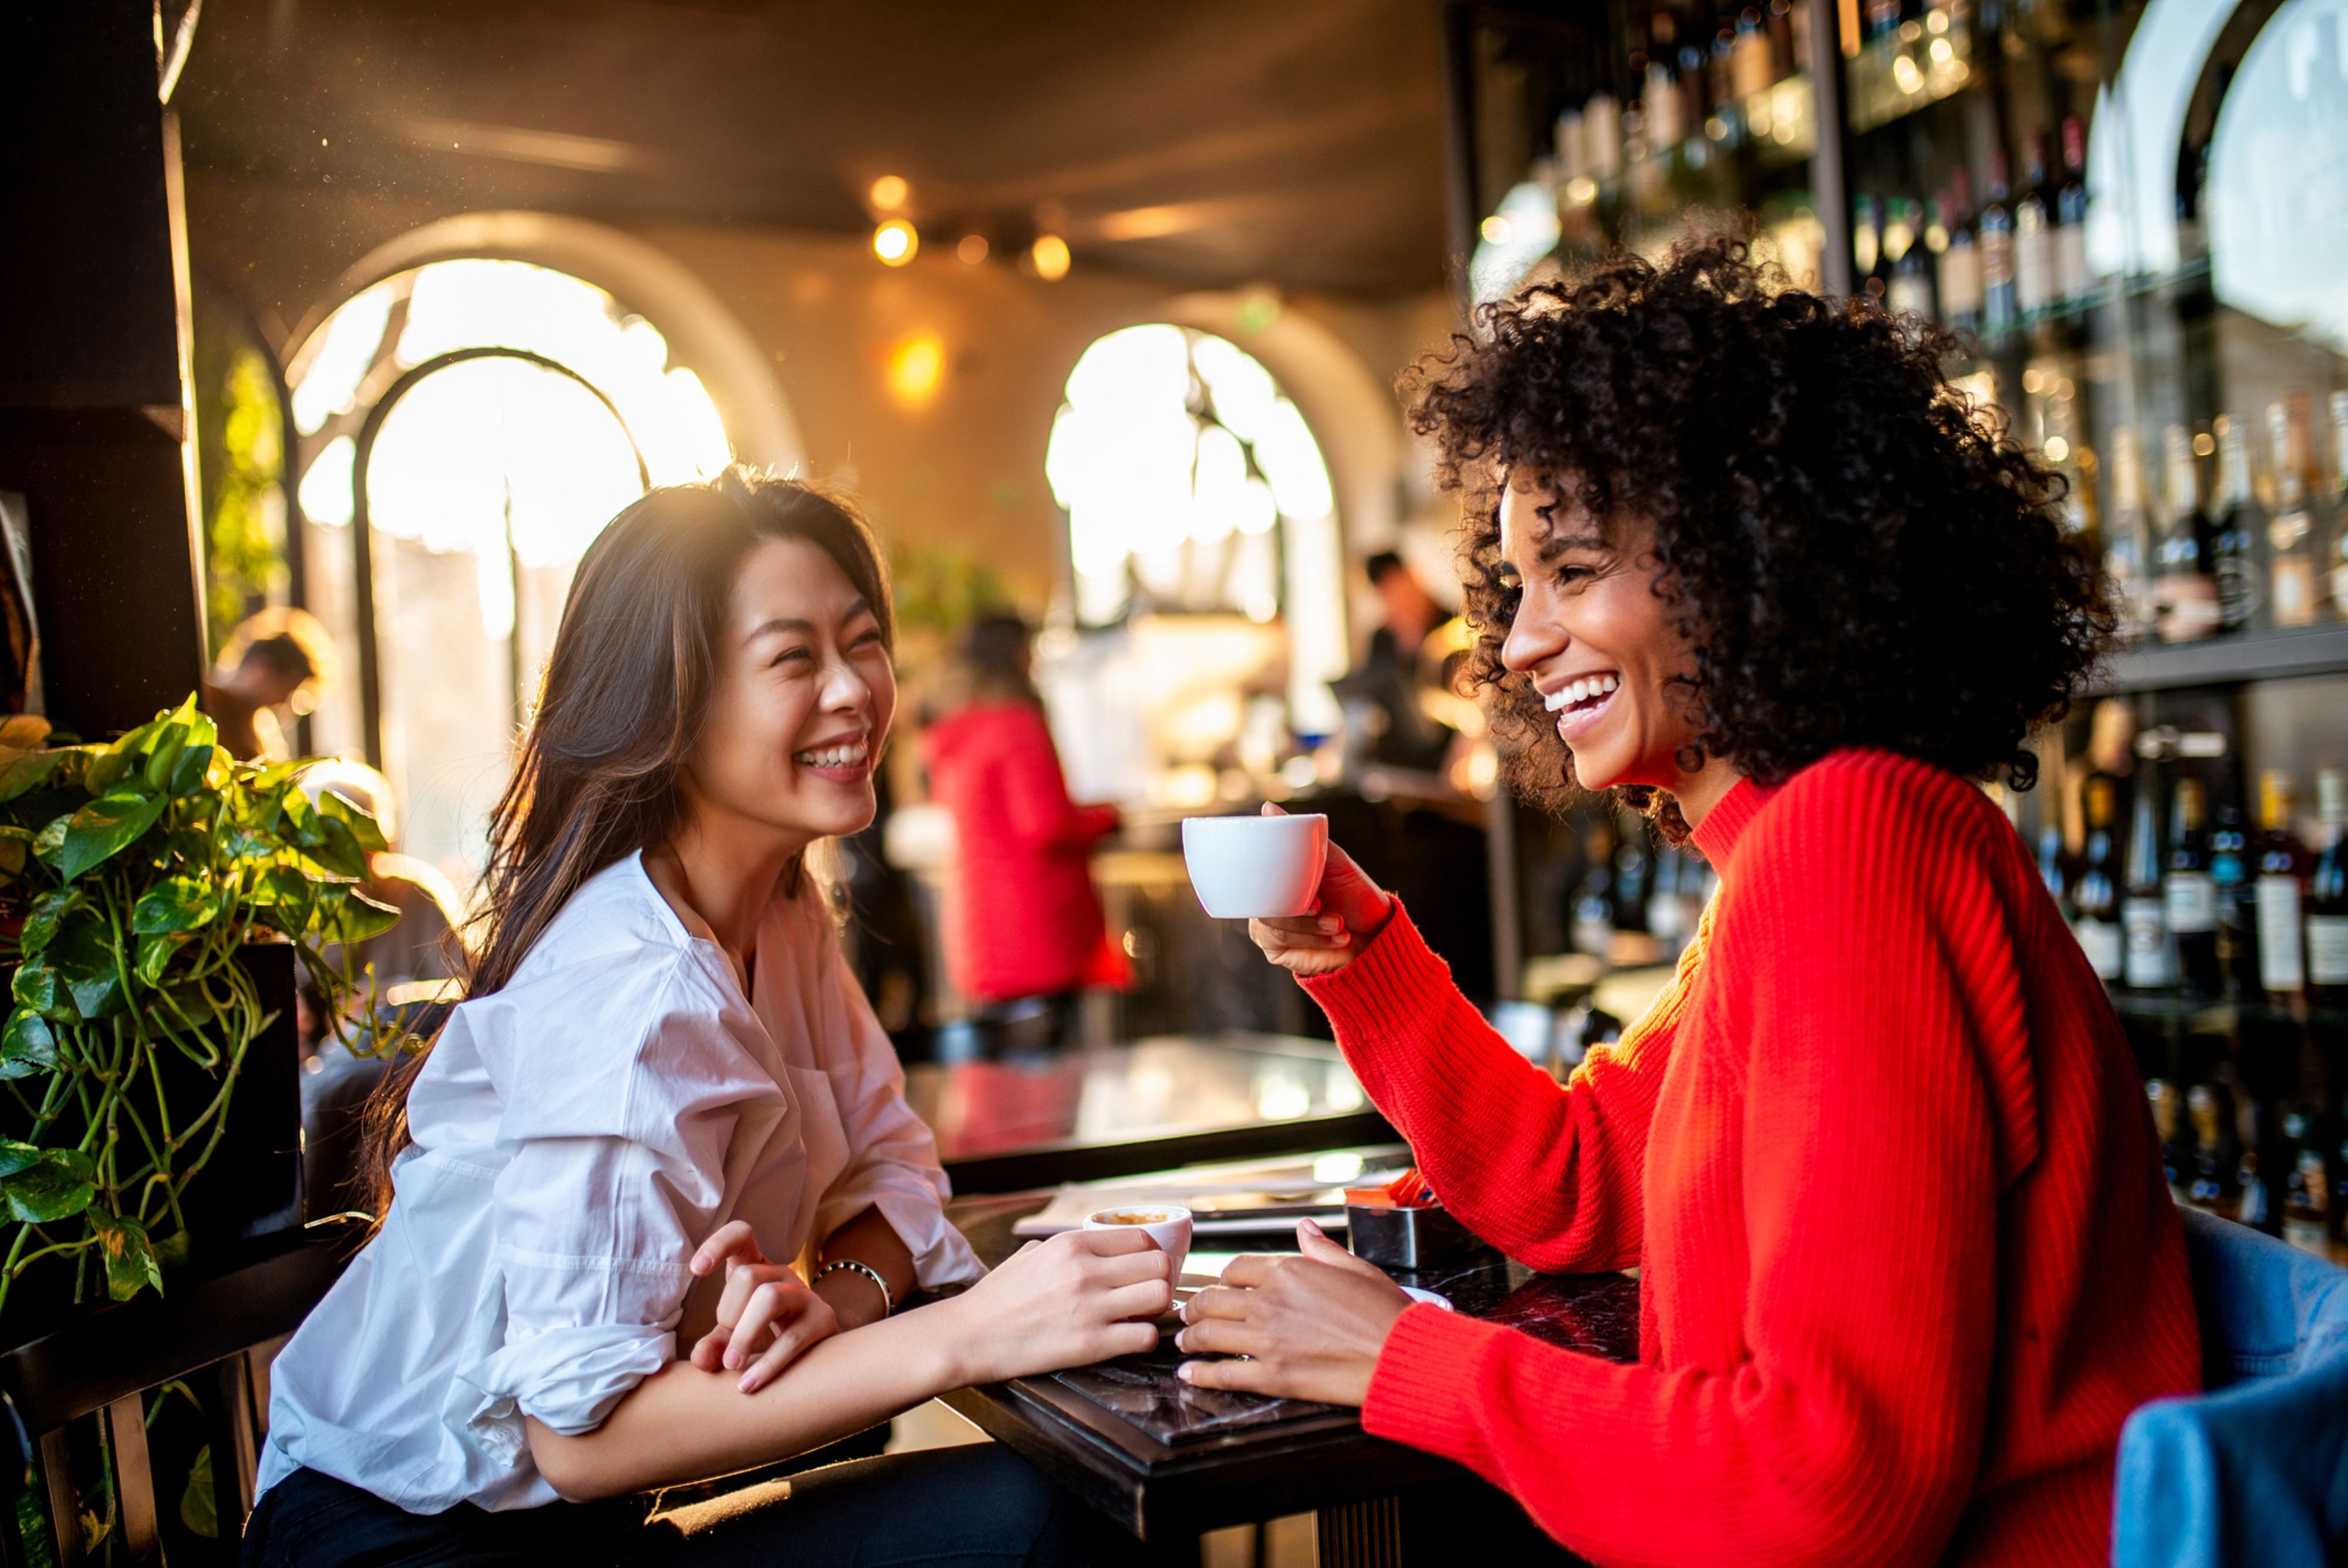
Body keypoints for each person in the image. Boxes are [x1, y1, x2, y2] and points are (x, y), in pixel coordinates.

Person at [1173, 238, 2201, 1566]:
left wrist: (1404, 1356)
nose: (1521, 640)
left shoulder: (1851, 847)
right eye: (1514, 586)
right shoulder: (1787, 853)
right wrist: (1358, 949)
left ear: (1743, 556)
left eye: (1574, 569)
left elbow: (1828, 1490)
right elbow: (1578, 1179)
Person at [245, 474, 1169, 1567]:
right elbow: (578, 1437)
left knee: (1058, 1503)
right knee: (1043, 1515)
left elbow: (899, 1175)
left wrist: (834, 1301)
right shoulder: (632, 990)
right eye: (792, 658)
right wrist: (964, 1333)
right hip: (394, 1548)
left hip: (574, 1532)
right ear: (672, 704)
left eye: (862, 641)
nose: (854, 692)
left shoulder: (783, 918)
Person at [919, 612, 1123, 1048]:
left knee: (1012, 1095)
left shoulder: (958, 731)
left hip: (985, 937)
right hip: (1036, 935)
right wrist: (1108, 816)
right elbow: (1046, 824)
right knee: (1052, 1095)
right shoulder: (1016, 725)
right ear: (1014, 655)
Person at [1332, 552, 1453, 773]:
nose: (1395, 602)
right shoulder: (1383, 639)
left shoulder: (1456, 627)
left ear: (1413, 578)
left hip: (1445, 757)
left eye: (1397, 591)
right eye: (1386, 596)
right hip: (1397, 762)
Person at [203, 606, 336, 760]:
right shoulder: (206, 703)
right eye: (286, 693)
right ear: (263, 669)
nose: (284, 704)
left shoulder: (261, 726)